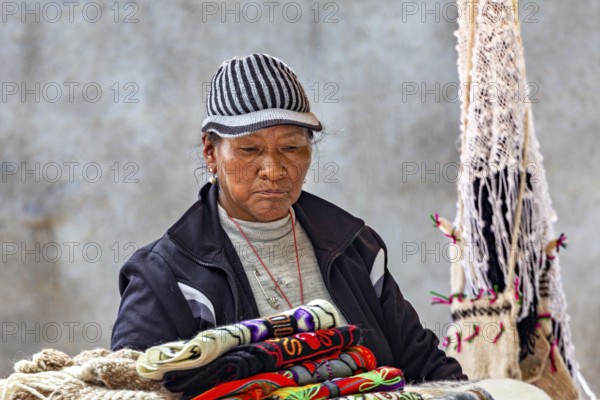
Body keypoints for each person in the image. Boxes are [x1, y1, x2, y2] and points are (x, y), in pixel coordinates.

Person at [111, 53, 466, 382]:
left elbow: (424, 365)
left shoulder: (355, 249)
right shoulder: (164, 275)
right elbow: (129, 387)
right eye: (249, 149)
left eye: (292, 148)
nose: (274, 170)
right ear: (210, 152)